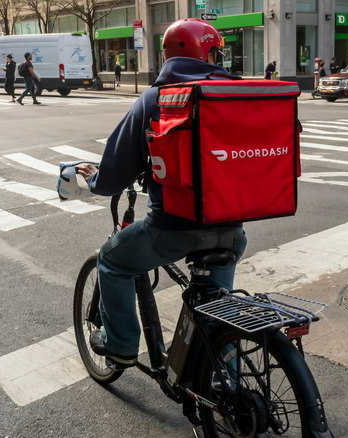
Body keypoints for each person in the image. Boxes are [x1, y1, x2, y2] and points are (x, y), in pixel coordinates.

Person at [74, 18, 247, 368]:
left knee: (111, 261)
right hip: (232, 231)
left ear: (169, 53)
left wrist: (93, 180)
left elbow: (112, 176)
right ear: (209, 54)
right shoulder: (237, 95)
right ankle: (228, 387)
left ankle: (120, 343)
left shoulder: (156, 99)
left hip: (174, 231)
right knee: (218, 310)